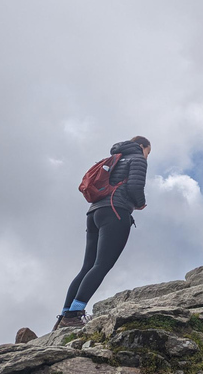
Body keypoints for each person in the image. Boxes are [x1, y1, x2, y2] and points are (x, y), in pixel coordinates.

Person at [54, 136, 151, 329]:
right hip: (116, 211)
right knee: (102, 265)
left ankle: (64, 316)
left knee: (87, 266)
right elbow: (135, 187)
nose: (147, 155)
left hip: (94, 213)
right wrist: (140, 203)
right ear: (142, 146)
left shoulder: (115, 157)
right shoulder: (138, 158)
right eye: (148, 151)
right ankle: (73, 315)